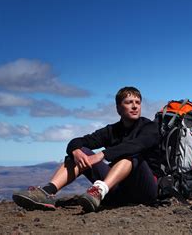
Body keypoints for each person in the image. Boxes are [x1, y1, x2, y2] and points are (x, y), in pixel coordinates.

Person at [13, 86, 161, 213]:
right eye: (129, 102)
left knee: (131, 156)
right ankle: (47, 192)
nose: (135, 106)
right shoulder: (112, 130)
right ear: (118, 108)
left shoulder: (150, 128)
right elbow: (78, 141)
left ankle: (99, 191)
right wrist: (75, 151)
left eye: (138, 102)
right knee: (81, 151)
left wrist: (102, 155)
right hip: (117, 190)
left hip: (145, 191)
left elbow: (137, 145)